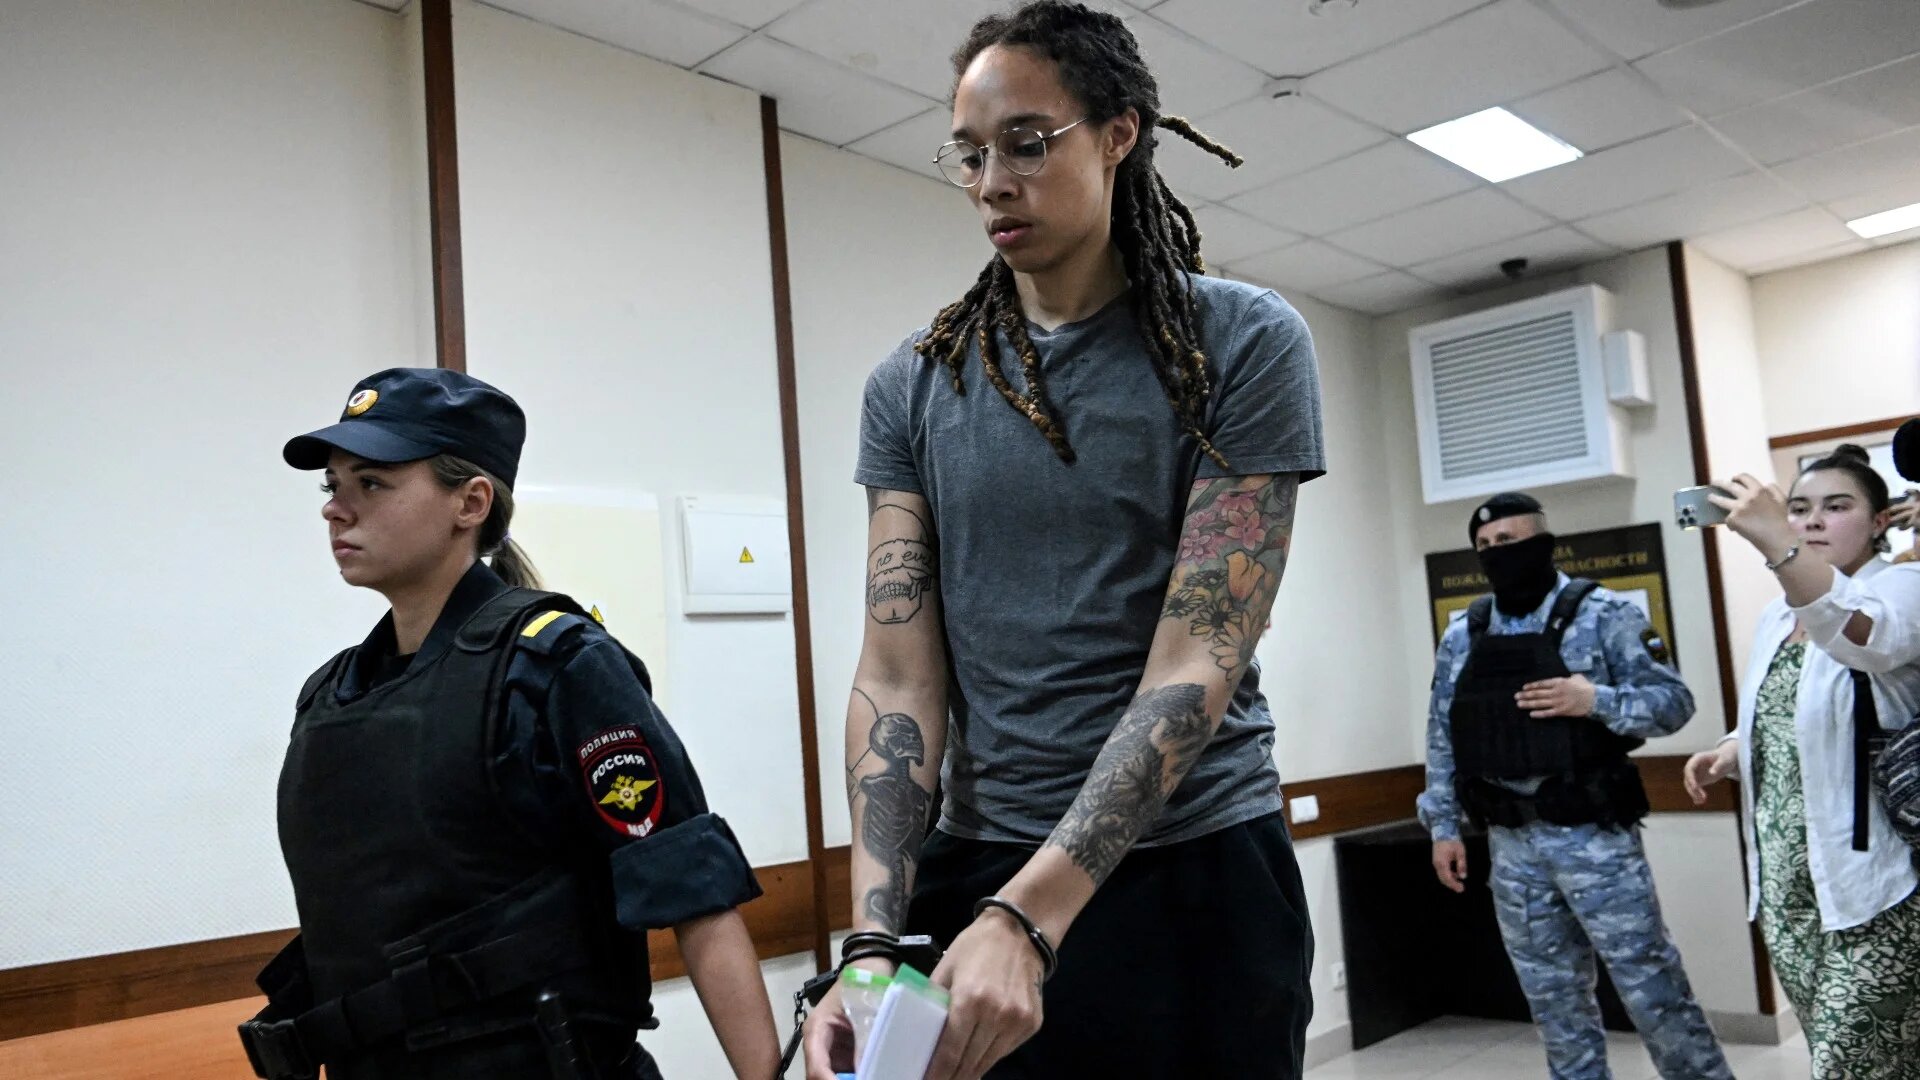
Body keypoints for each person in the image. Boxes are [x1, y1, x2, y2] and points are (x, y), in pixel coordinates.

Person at [802, 3, 1323, 1077]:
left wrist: (1032, 917)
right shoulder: (912, 385)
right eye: (971, 154)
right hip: (977, 867)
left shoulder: (1243, 341)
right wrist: (869, 946)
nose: (994, 181)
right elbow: (898, 675)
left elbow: (1200, 656)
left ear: (1119, 134)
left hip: (1194, 868)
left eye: (1028, 144)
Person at [239, 368, 779, 1080]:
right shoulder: (332, 693)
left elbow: (693, 894)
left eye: (371, 483)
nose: (336, 510)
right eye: (332, 485)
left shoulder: (558, 665)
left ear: (470, 502)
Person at [1418, 493, 1731, 1080]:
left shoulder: (1605, 613)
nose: (1496, 555)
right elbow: (1442, 734)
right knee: (1555, 1006)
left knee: (1653, 992)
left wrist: (1595, 701)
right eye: (1485, 547)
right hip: (1513, 849)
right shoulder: (1465, 632)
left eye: (1508, 543)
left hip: (1595, 841)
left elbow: (1674, 704)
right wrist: (1442, 826)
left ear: (1542, 543)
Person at [1684, 445, 1920, 1076]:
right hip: (1790, 887)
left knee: (1847, 1066)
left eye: (1836, 507)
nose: (1813, 521)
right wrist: (1731, 749)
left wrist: (1777, 546)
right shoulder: (1774, 616)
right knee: (1875, 1062)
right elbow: (1780, 714)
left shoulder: (1903, 589)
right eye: (1798, 509)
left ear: (1879, 522)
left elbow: (1865, 638)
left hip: (1882, 887)